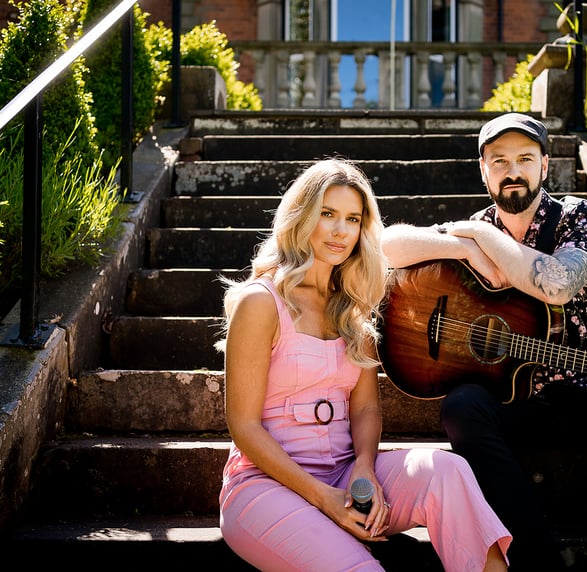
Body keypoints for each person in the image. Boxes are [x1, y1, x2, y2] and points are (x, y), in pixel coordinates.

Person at [380, 113, 587, 569]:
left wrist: (482, 236)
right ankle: (534, 556)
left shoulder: (578, 218)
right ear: (483, 170)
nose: (513, 171)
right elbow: (385, 246)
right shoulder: (472, 228)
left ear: (545, 166)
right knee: (461, 406)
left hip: (586, 396)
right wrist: (464, 247)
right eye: (500, 161)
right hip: (514, 405)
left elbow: (558, 284)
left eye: (525, 159)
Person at [216, 158, 511, 572]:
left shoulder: (354, 309)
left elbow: (367, 408)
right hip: (265, 487)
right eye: (327, 214)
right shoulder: (260, 302)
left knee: (447, 471)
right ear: (302, 216)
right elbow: (243, 426)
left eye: (353, 219)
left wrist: (365, 467)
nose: (341, 230)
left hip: (344, 473)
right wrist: (324, 499)